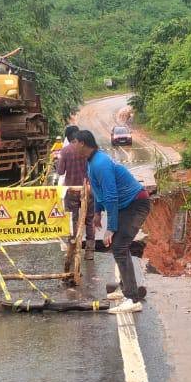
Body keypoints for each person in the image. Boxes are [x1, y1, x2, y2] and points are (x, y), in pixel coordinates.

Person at [75, 129, 149, 313]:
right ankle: (126, 289)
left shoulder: (100, 163)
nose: (73, 146)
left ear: (82, 143)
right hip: (126, 205)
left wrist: (111, 227)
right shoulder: (92, 162)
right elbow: (98, 191)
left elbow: (111, 195)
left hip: (136, 203)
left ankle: (132, 299)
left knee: (119, 246)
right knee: (119, 246)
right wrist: (97, 212)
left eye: (74, 142)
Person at [56, 125, 97, 260]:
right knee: (89, 220)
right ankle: (90, 251)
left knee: (72, 220)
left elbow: (60, 171)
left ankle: (72, 249)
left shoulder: (65, 151)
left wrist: (57, 162)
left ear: (67, 138)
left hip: (71, 190)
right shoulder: (86, 149)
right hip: (87, 189)